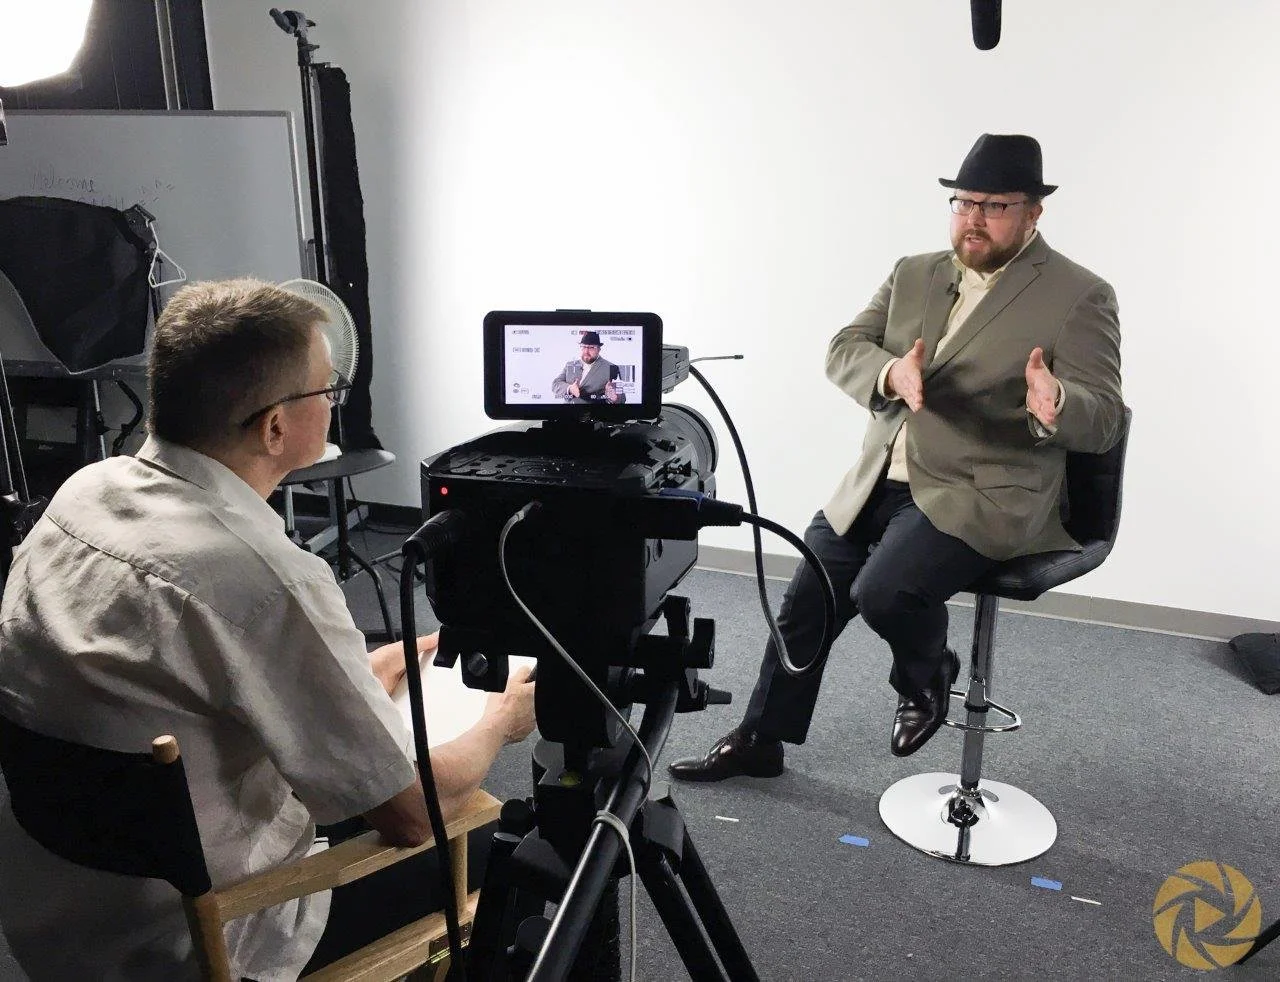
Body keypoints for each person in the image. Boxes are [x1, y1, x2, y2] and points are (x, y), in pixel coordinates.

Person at [0, 279, 536, 980]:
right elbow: (408, 813)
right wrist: (502, 718)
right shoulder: (266, 581)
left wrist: (365, 672)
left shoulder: (85, 492)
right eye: (327, 391)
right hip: (207, 941)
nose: (333, 403)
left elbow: (197, 686)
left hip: (62, 914)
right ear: (275, 427)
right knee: (516, 842)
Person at [669, 134, 1123, 782]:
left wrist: (1058, 404)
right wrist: (888, 375)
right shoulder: (916, 271)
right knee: (807, 599)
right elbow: (844, 346)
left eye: (994, 206)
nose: (973, 218)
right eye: (963, 202)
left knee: (884, 592)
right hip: (883, 475)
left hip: (983, 488)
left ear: (1032, 214)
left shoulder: (1078, 295)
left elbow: (1103, 412)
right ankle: (761, 738)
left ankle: (927, 674)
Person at [551, 330, 625, 403]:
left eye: (591, 347)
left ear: (599, 349)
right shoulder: (570, 364)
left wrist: (615, 398)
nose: (586, 351)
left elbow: (622, 398)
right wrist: (570, 388)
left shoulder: (611, 367)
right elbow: (555, 384)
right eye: (583, 346)